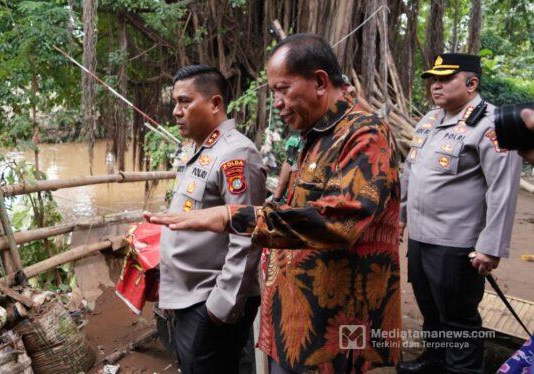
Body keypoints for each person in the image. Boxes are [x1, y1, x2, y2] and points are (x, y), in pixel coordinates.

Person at [147, 34, 402, 373]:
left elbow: (341, 220)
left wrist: (231, 216)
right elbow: (289, 207)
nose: (277, 103)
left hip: (334, 333)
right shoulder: (311, 136)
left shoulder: (364, 134)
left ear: (320, 82)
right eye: (274, 93)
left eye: (283, 90)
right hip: (293, 322)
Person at [396, 53, 523, 373]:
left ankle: (462, 369)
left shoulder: (492, 124)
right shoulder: (430, 119)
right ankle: (435, 359)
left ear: (472, 83)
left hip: (457, 243)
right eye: (433, 80)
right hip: (421, 236)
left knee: (459, 320)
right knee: (430, 308)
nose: (435, 85)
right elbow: (411, 170)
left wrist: (490, 247)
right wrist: (401, 215)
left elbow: (503, 188)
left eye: (445, 79)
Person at [159, 64, 266, 374]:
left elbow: (247, 234)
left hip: (210, 300)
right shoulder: (200, 149)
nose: (176, 111)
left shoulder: (236, 154)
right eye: (175, 102)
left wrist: (221, 306)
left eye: (184, 101)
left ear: (215, 103)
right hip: (189, 296)